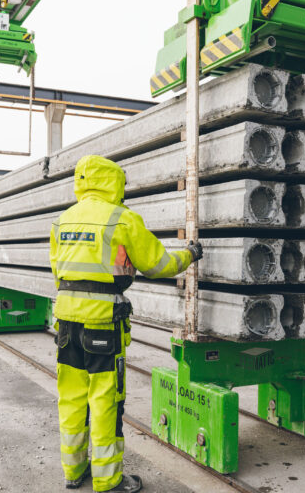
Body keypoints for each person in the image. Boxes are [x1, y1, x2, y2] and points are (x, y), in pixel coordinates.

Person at [49, 155, 203, 492]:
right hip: (103, 325)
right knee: (105, 400)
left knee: (72, 397)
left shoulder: (63, 221)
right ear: (114, 182)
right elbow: (158, 263)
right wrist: (190, 254)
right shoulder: (121, 219)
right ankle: (108, 481)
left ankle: (74, 472)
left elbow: (58, 270)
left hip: (65, 323)